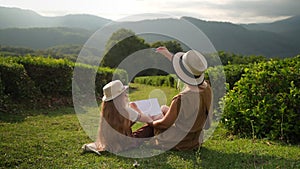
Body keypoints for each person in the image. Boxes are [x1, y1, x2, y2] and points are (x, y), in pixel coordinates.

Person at [135, 47, 213, 151]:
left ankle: (133, 138)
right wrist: (168, 54)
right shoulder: (207, 89)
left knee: (155, 116)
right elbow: (207, 125)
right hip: (195, 140)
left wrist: (149, 121)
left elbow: (164, 124)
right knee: (162, 108)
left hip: (178, 142)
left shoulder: (181, 98)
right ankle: (134, 137)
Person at [95, 80, 154, 153]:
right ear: (121, 96)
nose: (126, 95)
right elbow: (147, 119)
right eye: (124, 93)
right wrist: (137, 110)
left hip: (109, 144)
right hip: (126, 144)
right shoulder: (126, 111)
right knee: (149, 128)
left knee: (125, 122)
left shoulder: (105, 113)